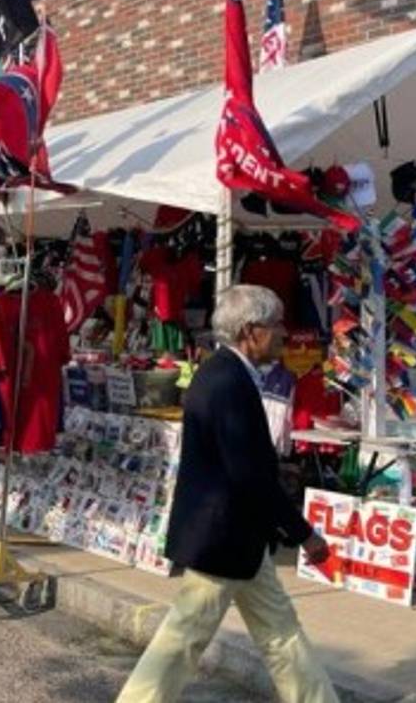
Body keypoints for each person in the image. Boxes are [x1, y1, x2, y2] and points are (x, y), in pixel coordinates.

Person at [118, 285, 337, 703]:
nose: (283, 334)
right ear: (251, 331)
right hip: (223, 537)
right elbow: (249, 475)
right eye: (275, 326)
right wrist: (304, 534)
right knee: (184, 639)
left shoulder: (226, 373)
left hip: (243, 541)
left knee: (281, 634)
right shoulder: (227, 380)